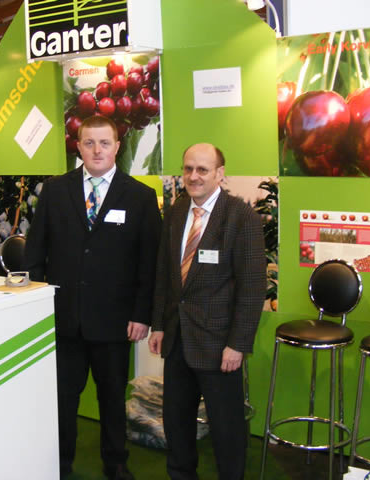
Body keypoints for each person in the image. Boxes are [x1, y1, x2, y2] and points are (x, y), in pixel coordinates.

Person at [24, 115, 162, 480]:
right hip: (64, 319)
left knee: (112, 399)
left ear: (117, 146)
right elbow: (35, 254)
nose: (97, 150)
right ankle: (59, 465)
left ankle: (115, 464)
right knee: (62, 399)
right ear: (79, 146)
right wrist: (39, 308)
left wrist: (142, 315)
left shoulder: (140, 197)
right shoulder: (55, 190)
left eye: (104, 143)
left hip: (116, 322)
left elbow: (149, 264)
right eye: (89, 143)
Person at [148, 143, 266, 480]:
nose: (193, 176)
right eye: (188, 169)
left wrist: (238, 344)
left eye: (202, 169)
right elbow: (164, 273)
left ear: (219, 174)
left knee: (227, 429)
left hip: (219, 344)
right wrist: (158, 325)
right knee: (177, 422)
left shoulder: (241, 217)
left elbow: (252, 287)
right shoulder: (176, 212)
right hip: (177, 338)